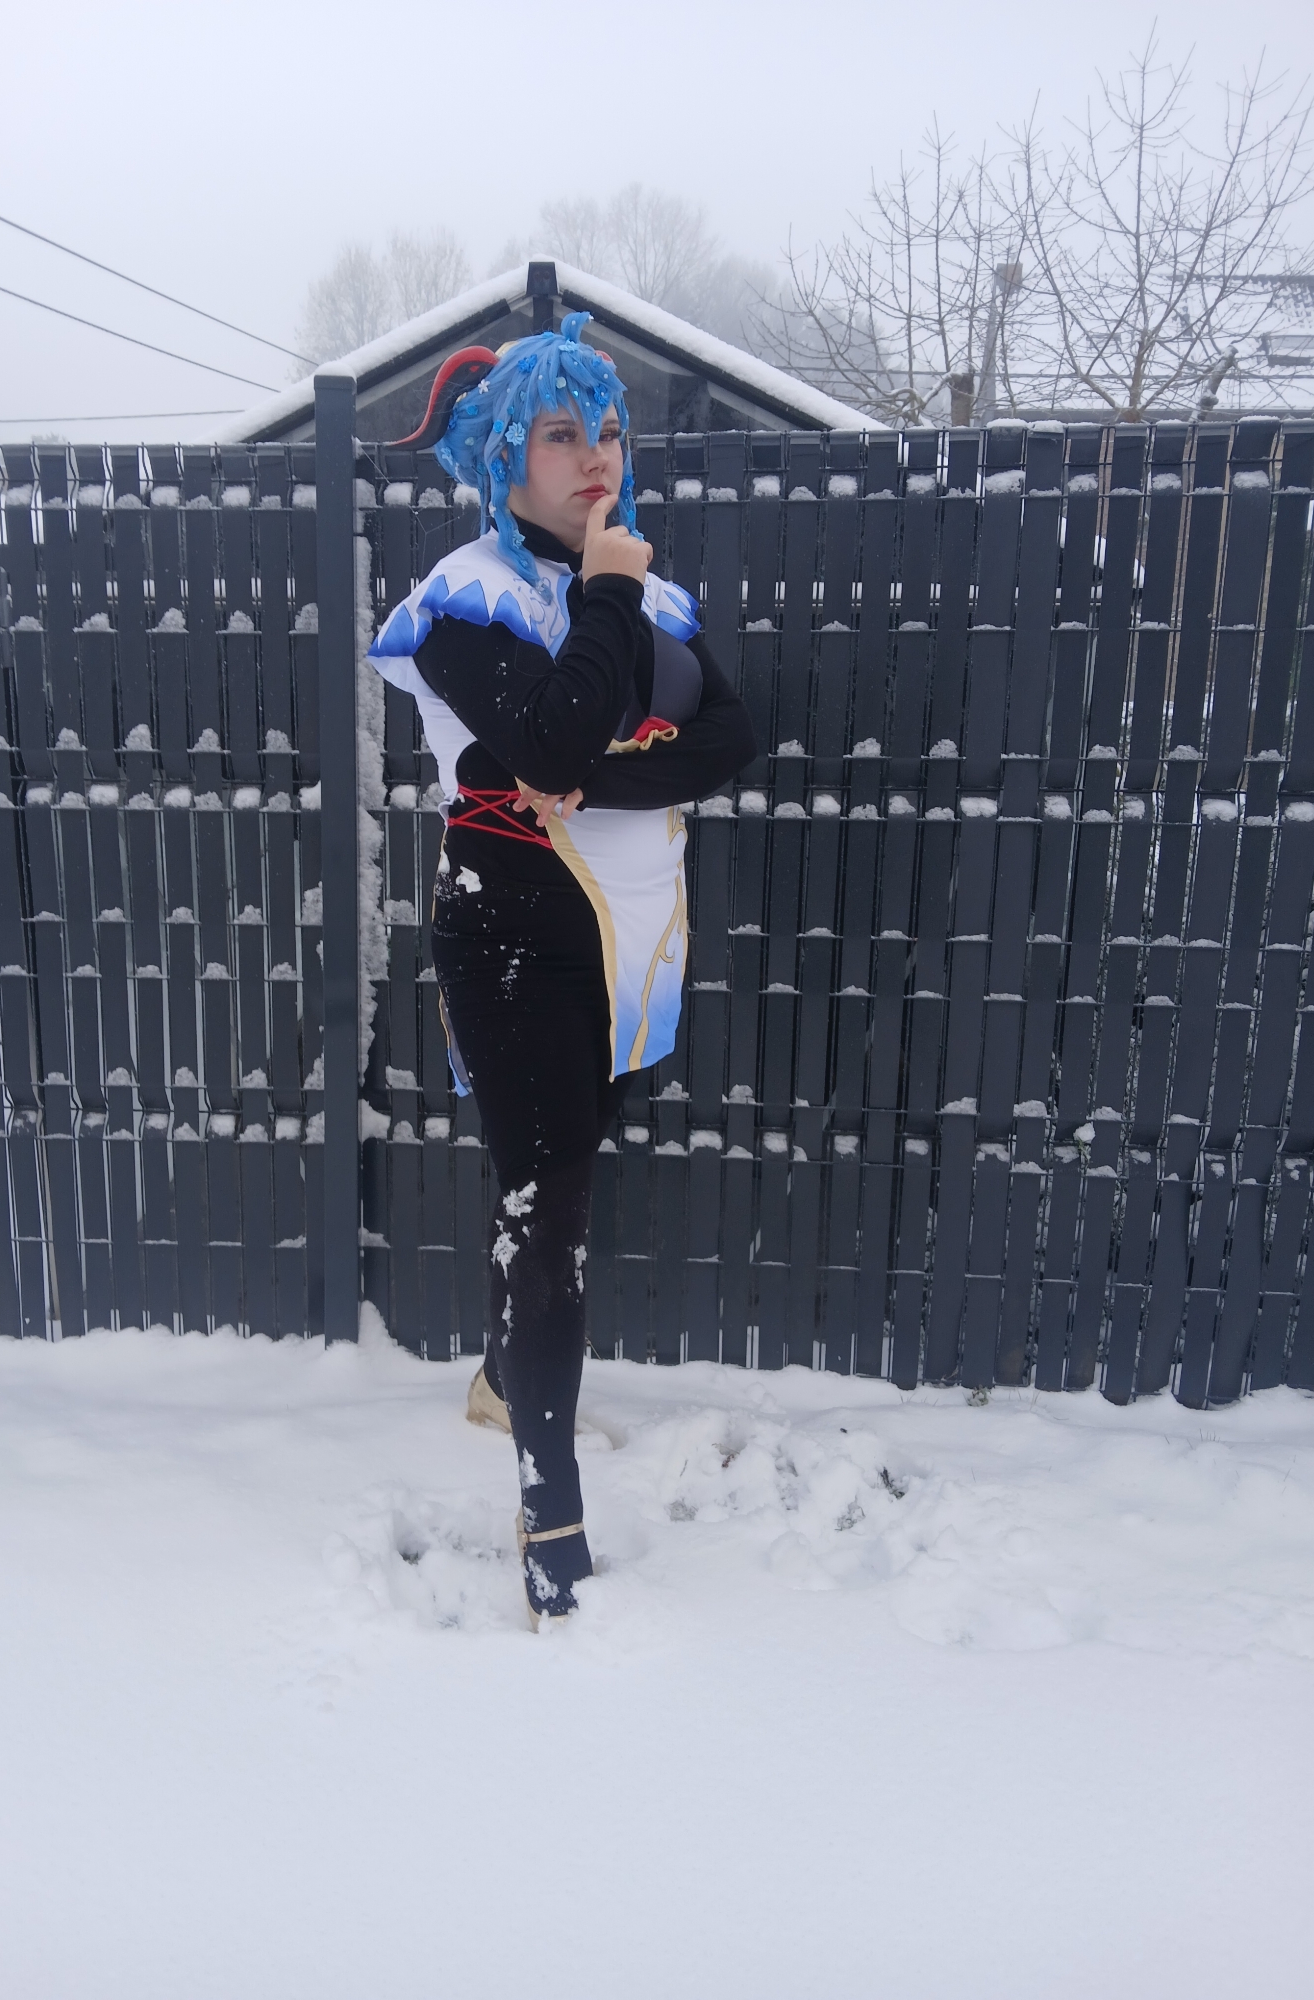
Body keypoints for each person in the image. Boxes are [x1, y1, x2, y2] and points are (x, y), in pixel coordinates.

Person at [369, 313, 755, 1625]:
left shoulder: (650, 593)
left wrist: (575, 768)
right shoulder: (461, 600)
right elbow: (548, 729)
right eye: (560, 433)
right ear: (499, 455)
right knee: (551, 1211)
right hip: (513, 931)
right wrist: (595, 621)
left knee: (565, 1173)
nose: (595, 455)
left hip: (634, 930)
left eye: (608, 430)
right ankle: (552, 1523)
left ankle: (498, 1380)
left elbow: (727, 741)